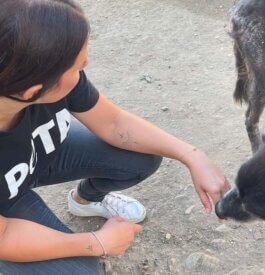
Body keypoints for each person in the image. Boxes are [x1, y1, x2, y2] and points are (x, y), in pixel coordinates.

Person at [0, 0, 230, 274]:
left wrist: (192, 156)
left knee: (141, 156)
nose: (85, 65)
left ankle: (84, 200)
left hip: (34, 156)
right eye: (75, 67)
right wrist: (95, 242)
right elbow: (3, 237)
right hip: (7, 202)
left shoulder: (33, 75)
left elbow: (114, 123)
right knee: (81, 270)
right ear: (32, 92)